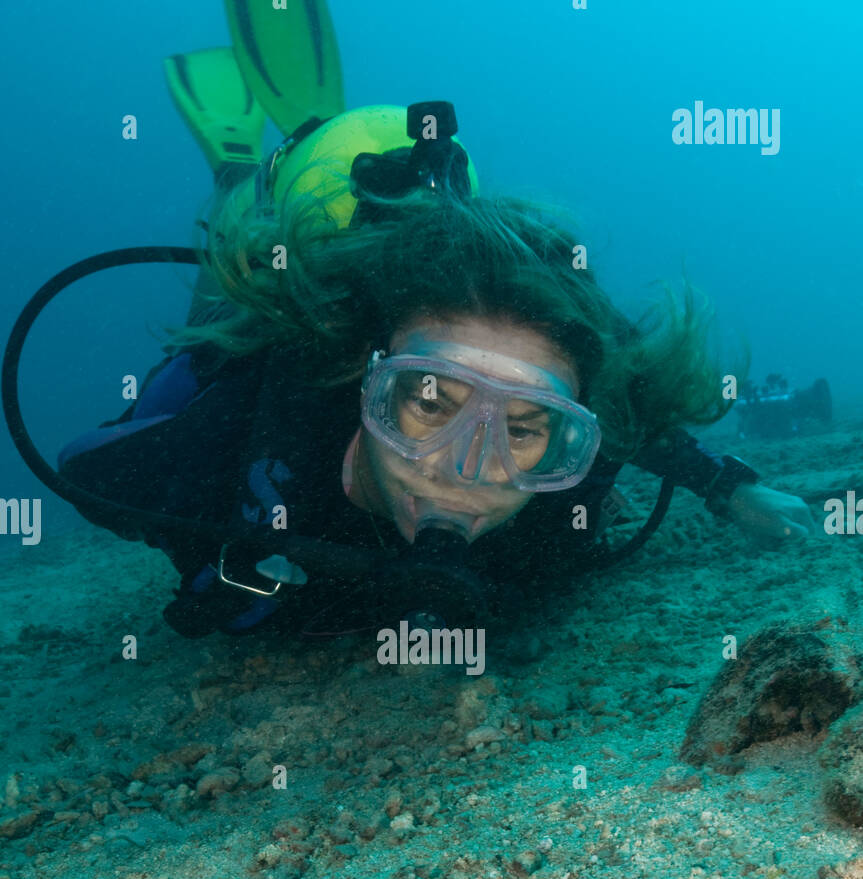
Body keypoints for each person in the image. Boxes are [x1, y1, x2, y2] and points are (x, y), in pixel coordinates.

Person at [56, 1, 814, 640]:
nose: (464, 470)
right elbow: (90, 468)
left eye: (522, 427)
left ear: (569, 435)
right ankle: (240, 176)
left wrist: (731, 487)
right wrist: (193, 535)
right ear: (365, 382)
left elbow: (629, 413)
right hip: (300, 317)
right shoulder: (241, 427)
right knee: (236, 304)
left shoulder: (576, 467)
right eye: (427, 401)